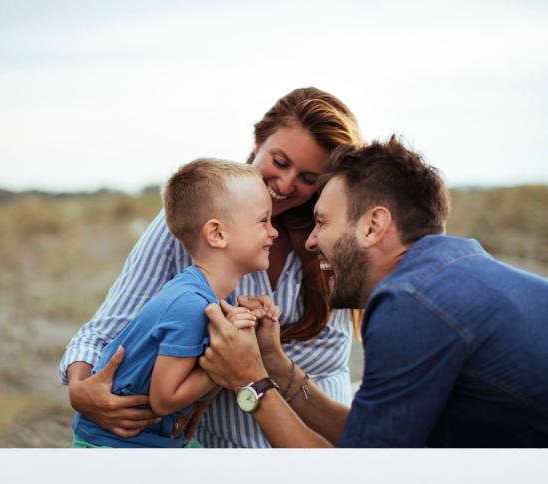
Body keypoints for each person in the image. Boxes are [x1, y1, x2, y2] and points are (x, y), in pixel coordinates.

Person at [59, 87, 364, 447]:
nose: (285, 184)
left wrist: (249, 367)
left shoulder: (334, 240)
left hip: (318, 453)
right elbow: (108, 330)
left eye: (308, 179)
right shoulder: (196, 222)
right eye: (280, 162)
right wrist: (81, 389)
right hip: (220, 454)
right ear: (258, 141)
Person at [199, 136, 548, 447]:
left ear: (372, 226)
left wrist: (250, 381)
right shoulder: (450, 277)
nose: (311, 241)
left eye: (322, 222)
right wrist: (275, 367)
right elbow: (368, 440)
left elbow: (362, 472)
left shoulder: (409, 303)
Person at [71, 158, 279, 447]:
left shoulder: (217, 295)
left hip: (155, 439)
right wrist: (223, 365)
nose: (273, 231)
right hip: (114, 445)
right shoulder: (188, 305)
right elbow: (164, 399)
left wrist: (249, 325)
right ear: (217, 234)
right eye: (263, 221)